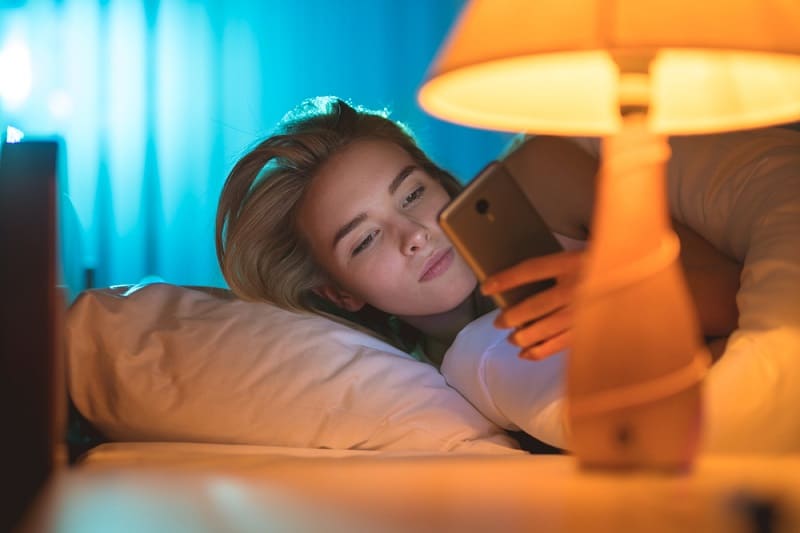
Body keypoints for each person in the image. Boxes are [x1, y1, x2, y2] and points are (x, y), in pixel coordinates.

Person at [215, 96, 741, 370]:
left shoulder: (546, 174)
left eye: (413, 194)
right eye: (365, 239)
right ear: (340, 293)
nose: (414, 235)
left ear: (442, 183)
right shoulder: (416, 387)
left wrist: (633, 296)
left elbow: (748, 296)